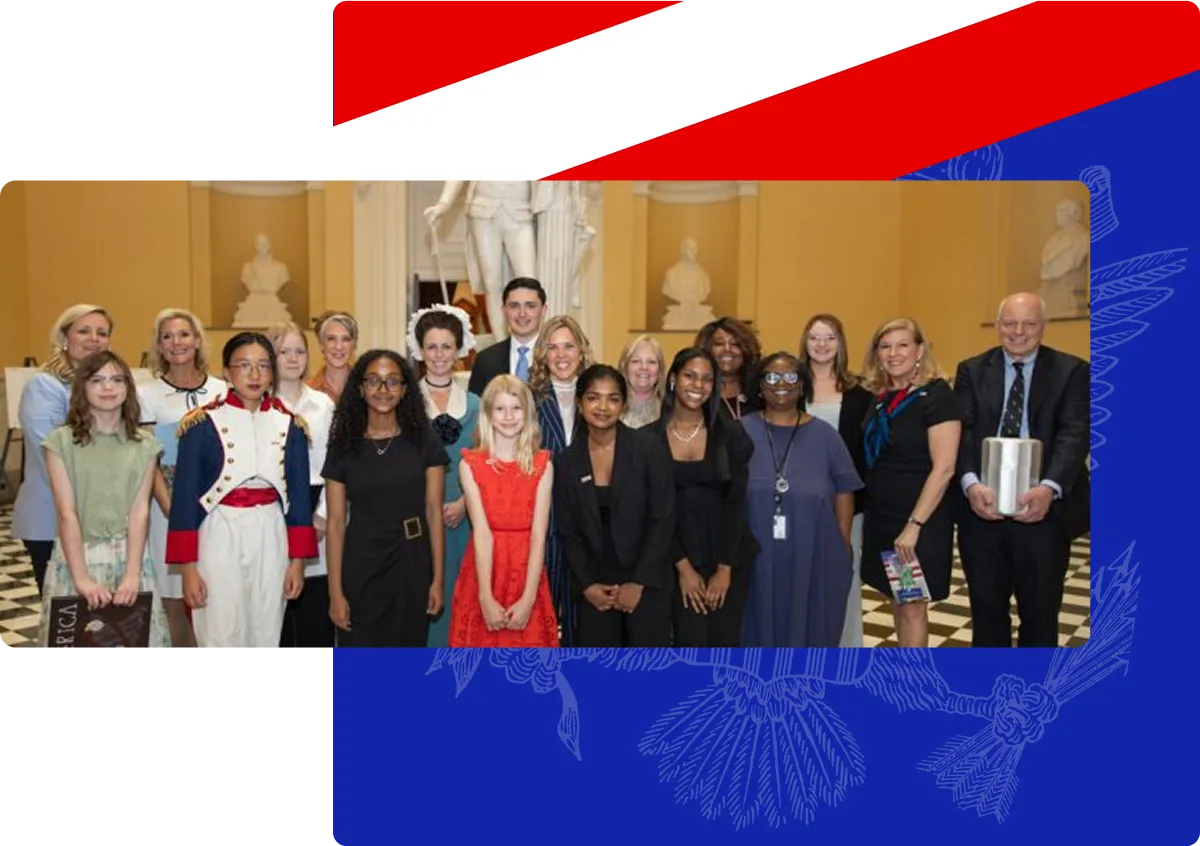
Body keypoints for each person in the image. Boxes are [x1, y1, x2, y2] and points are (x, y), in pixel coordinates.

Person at [954, 292, 1090, 647]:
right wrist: (970, 484)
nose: (1018, 332)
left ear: (1043, 327)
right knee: (986, 615)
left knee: (1040, 617)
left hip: (1044, 515)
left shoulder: (1072, 371)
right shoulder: (970, 370)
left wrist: (1049, 488)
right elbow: (962, 432)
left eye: (1029, 324)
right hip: (981, 512)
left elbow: (1074, 434)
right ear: (997, 326)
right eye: (1010, 323)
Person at [165, 333, 315, 648]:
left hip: (271, 532)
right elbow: (184, 501)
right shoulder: (201, 424)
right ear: (226, 372)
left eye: (263, 365)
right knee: (220, 630)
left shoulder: (290, 425)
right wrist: (188, 569)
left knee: (266, 628)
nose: (254, 374)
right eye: (244, 365)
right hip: (219, 531)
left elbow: (300, 500)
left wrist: (297, 562)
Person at [36, 350, 170, 648]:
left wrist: (132, 574)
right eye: (97, 380)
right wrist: (82, 579)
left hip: (129, 557)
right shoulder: (61, 441)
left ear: (127, 388)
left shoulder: (145, 444)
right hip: (77, 557)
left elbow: (140, 511)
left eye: (117, 380)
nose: (108, 387)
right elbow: (66, 513)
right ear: (82, 387)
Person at [323, 350, 448, 647]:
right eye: (373, 381)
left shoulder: (424, 440)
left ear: (404, 390)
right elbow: (336, 523)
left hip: (411, 563)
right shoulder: (343, 445)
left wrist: (437, 580)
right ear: (360, 388)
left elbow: (434, 512)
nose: (383, 389)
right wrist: (335, 593)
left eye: (392, 381)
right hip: (360, 565)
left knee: (406, 659)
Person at [739, 352, 862, 647]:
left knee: (811, 629)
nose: (781, 383)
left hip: (814, 552)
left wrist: (843, 542)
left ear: (802, 385)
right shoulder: (740, 431)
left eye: (791, 376)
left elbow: (845, 489)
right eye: (772, 377)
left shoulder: (826, 436)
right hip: (753, 554)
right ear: (760, 386)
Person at [553, 365, 676, 647]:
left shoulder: (649, 448)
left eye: (613, 399)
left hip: (646, 585)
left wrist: (638, 582)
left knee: (648, 670)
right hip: (596, 591)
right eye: (593, 398)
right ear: (580, 403)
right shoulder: (567, 461)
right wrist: (588, 585)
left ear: (623, 405)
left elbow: (664, 518)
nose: (603, 407)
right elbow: (568, 530)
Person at [859, 318, 961, 648]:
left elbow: (944, 467)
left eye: (902, 345)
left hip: (916, 521)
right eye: (885, 347)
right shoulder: (881, 397)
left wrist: (914, 525)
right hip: (884, 517)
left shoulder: (937, 396)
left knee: (912, 605)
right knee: (897, 598)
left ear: (919, 351)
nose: (893, 353)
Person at [647, 348, 757, 647]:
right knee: (689, 643)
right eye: (690, 376)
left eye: (707, 379)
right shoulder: (648, 440)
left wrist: (724, 569)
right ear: (673, 379)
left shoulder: (731, 435)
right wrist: (684, 568)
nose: (698, 385)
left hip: (728, 555)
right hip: (674, 557)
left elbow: (736, 504)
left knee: (724, 645)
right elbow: (654, 512)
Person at [138, 307, 226, 648]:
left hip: (217, 509)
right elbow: (148, 459)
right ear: (159, 346)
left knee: (214, 592)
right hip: (168, 509)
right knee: (174, 598)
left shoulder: (222, 389)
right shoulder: (146, 396)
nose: (176, 342)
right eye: (167, 336)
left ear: (198, 341)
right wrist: (172, 510)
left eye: (184, 334)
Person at [448, 375, 559, 647]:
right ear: (488, 414)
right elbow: (482, 533)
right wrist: (485, 597)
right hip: (485, 572)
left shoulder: (542, 465)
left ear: (527, 413)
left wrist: (528, 598)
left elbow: (539, 536)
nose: (509, 416)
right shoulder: (470, 465)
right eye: (500, 408)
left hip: (527, 573)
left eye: (516, 408)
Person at [13, 304, 113, 595]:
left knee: (101, 612)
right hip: (52, 520)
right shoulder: (44, 386)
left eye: (102, 333)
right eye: (84, 331)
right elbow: (51, 451)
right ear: (64, 338)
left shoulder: (108, 385)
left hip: (101, 520)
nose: (94, 339)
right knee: (64, 612)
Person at [405, 304, 481, 647]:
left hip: (465, 519)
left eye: (446, 346)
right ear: (420, 350)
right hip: (418, 519)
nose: (439, 355)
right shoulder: (404, 402)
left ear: (459, 350)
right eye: (432, 347)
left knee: (462, 603)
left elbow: (487, 462)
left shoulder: (477, 404)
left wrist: (466, 503)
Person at [796, 313, 873, 646]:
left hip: (845, 503)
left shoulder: (860, 393)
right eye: (815, 337)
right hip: (797, 502)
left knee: (844, 578)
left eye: (830, 338)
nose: (822, 345)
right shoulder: (791, 386)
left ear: (841, 344)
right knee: (800, 579)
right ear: (805, 342)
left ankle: (845, 652)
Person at [269, 321, 337, 649]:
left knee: (314, 613)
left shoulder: (323, 405)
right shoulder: (260, 404)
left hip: (316, 503)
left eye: (299, 351)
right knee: (276, 612)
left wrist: (323, 515)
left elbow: (335, 462)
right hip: (272, 509)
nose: (293, 358)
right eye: (284, 351)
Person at [529, 314, 594, 645]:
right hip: (543, 521)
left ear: (581, 351)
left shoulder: (597, 395)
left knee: (586, 621)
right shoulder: (529, 399)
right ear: (542, 354)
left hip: (591, 524)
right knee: (544, 615)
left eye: (568, 346)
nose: (561, 355)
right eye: (552, 347)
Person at [466, 277, 548, 396]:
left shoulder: (555, 357)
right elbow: (476, 406)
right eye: (514, 306)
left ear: (543, 310)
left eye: (530, 306)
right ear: (504, 311)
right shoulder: (486, 360)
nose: (522, 314)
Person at [694, 317, 763, 422]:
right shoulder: (697, 390)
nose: (727, 349)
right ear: (707, 350)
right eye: (719, 344)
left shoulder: (760, 389)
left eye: (735, 344)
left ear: (746, 350)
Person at [617, 334, 666, 429]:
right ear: (625, 367)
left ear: (660, 370)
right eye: (636, 361)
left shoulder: (670, 412)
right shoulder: (611, 409)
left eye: (651, 362)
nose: (644, 367)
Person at [309, 311, 359, 404]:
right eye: (331, 339)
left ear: (355, 344)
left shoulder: (365, 387)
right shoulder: (307, 391)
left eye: (346, 339)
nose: (339, 346)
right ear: (321, 344)